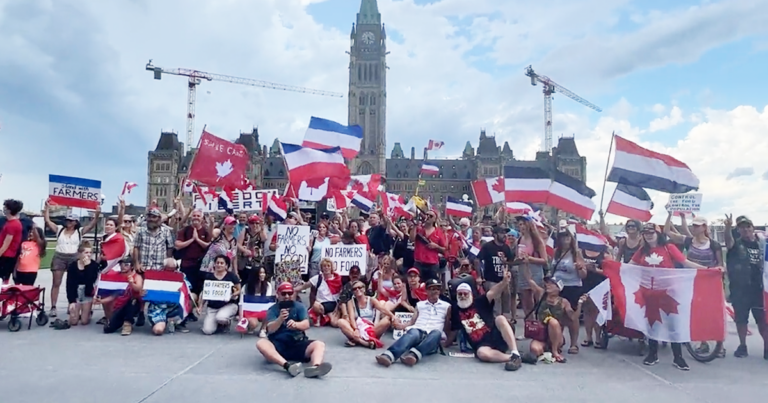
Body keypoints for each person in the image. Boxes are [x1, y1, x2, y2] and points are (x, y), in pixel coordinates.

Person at [631, 223, 705, 370]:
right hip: (649, 293)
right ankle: (653, 354)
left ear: (658, 233)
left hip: (669, 293)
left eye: (651, 232)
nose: (648, 235)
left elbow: (686, 263)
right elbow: (628, 266)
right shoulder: (641, 251)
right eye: (645, 232)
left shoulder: (668, 248)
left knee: (674, 325)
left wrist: (708, 270)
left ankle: (678, 357)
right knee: (652, 324)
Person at [256, 282, 333, 378]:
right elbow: (270, 329)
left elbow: (306, 324)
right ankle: (287, 366)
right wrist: (280, 319)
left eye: (290, 293)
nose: (287, 296)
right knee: (261, 343)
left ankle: (315, 367)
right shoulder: (272, 310)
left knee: (319, 344)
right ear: (278, 294)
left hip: (297, 342)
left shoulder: (299, 306)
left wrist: (296, 325)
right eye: (283, 294)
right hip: (278, 345)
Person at [451, 271, 523, 371]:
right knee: (482, 354)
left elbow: (493, 292)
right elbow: (453, 330)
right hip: (482, 345)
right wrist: (444, 344)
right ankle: (514, 358)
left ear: (470, 294)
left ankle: (514, 351)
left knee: (500, 318)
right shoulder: (455, 309)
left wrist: (504, 282)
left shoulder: (480, 301)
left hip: (497, 335)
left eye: (465, 293)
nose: (462, 296)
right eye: (460, 294)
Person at [42, 200, 99, 317]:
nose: (68, 222)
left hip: (73, 256)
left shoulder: (79, 232)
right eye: (67, 220)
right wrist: (46, 208)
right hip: (60, 255)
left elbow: (91, 225)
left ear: (75, 222)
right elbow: (47, 221)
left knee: (74, 282)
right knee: (56, 282)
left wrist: (97, 214)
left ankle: (72, 304)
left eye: (71, 221)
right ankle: (53, 306)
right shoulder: (60, 229)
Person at [375, 278, 450, 367]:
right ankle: (389, 356)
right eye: (432, 289)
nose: (435, 291)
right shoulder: (420, 305)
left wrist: (448, 341)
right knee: (413, 332)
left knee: (437, 333)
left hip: (433, 336)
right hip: (419, 330)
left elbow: (447, 325)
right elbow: (412, 322)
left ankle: (413, 355)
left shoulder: (446, 306)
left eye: (437, 289)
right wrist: (401, 326)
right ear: (427, 291)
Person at [723, 215, 767, 360]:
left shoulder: (762, 244)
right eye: (742, 227)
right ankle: (742, 346)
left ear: (753, 228)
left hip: (759, 289)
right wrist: (727, 228)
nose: (746, 229)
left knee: (762, 320)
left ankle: (767, 347)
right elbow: (728, 243)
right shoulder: (736, 244)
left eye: (748, 226)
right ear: (739, 230)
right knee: (741, 319)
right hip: (740, 289)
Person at [337, 280, 395, 348]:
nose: (357, 290)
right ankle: (365, 342)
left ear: (364, 289)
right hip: (357, 328)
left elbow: (382, 309)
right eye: (354, 289)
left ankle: (357, 340)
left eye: (359, 287)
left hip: (370, 329)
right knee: (340, 322)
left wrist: (392, 316)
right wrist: (356, 329)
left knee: (386, 321)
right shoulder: (351, 302)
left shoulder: (371, 300)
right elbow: (352, 317)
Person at [477, 226, 515, 319]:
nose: (504, 235)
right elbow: (477, 260)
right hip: (492, 280)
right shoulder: (488, 246)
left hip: (504, 281)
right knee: (495, 307)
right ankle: (495, 328)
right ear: (495, 235)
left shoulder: (506, 247)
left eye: (505, 233)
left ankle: (505, 325)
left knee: (506, 307)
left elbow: (511, 262)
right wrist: (479, 276)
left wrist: (507, 262)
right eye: (502, 233)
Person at [198, 255, 241, 335]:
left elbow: (239, 289)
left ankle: (225, 323)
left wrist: (232, 294)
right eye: (217, 263)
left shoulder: (231, 276)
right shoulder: (209, 277)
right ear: (214, 264)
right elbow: (205, 293)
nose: (219, 265)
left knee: (221, 318)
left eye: (222, 263)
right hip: (212, 307)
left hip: (228, 305)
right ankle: (217, 324)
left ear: (226, 266)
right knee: (207, 331)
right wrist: (200, 306)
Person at [102, 256, 145, 336]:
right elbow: (113, 295)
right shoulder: (117, 276)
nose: (123, 266)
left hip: (132, 304)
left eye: (126, 264)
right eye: (121, 264)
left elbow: (138, 288)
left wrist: (132, 283)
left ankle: (128, 323)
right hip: (119, 306)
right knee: (107, 329)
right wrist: (100, 301)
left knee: (133, 300)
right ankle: (120, 320)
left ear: (131, 266)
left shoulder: (137, 276)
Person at [66, 241, 100, 326]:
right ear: (80, 253)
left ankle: (88, 312)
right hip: (76, 291)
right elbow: (69, 284)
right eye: (86, 252)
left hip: (87, 292)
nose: (88, 255)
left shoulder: (93, 265)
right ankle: (74, 310)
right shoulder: (73, 266)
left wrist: (87, 267)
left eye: (90, 253)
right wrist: (71, 301)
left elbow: (91, 281)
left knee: (84, 321)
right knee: (73, 322)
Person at [0, 199, 25, 287]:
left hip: (7, 255)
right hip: (7, 255)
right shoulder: (10, 222)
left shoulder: (13, 224)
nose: (3, 209)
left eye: (5, 207)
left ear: (9, 210)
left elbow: (6, 244)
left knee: (3, 279)